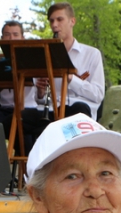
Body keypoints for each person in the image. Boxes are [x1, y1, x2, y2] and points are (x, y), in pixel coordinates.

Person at [22, 2, 105, 143]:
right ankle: (29, 155)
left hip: (77, 113)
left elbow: (98, 95)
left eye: (59, 19)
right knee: (17, 119)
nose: (54, 25)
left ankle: (72, 153)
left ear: (72, 21)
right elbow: (39, 100)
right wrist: (41, 92)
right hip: (51, 112)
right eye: (51, 21)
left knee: (80, 108)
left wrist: (72, 79)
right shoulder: (44, 55)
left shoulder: (92, 54)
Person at [0, 20, 38, 154]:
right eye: (7, 35)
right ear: (2, 38)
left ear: (22, 38)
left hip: (27, 109)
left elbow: (40, 92)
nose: (11, 38)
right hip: (4, 110)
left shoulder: (33, 61)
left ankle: (25, 163)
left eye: (15, 35)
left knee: (22, 133)